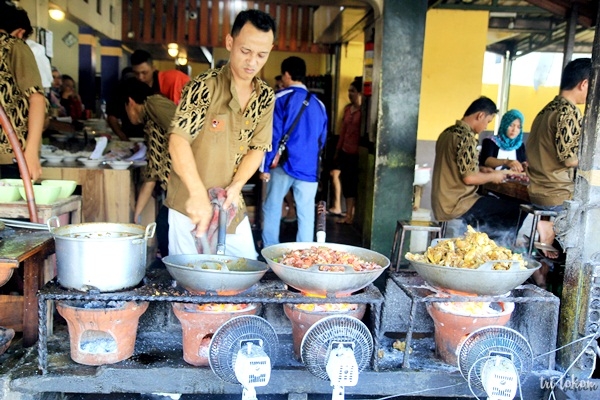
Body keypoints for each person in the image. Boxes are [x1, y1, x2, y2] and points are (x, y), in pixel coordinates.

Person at [165, 9, 276, 258]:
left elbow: (258, 149)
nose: (252, 62)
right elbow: (178, 141)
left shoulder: (265, 96)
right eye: (245, 51)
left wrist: (237, 186)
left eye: (261, 55)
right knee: (190, 283)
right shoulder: (204, 86)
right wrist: (196, 195)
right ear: (230, 42)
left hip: (229, 205)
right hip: (188, 205)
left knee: (245, 267)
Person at [431, 96, 523, 245]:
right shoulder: (465, 137)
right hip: (458, 203)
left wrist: (480, 169)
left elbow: (455, 167)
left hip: (443, 200)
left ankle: (482, 245)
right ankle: (500, 249)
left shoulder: (448, 133)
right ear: (480, 115)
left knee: (494, 205)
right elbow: (469, 178)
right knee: (516, 209)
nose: (486, 127)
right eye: (487, 121)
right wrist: (494, 175)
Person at [526, 58, 591, 259]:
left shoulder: (546, 110)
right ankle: (550, 228)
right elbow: (569, 160)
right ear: (585, 84)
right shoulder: (568, 112)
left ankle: (542, 268)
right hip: (557, 194)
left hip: (537, 191)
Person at [260, 56, 328, 247]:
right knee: (306, 213)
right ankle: (303, 255)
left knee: (273, 206)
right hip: (309, 167)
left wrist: (265, 166)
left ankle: (270, 251)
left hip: (284, 164)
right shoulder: (319, 105)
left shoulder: (280, 98)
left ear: (287, 74)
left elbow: (272, 136)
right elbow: (322, 139)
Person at [122, 78, 176, 257]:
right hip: (176, 186)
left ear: (130, 102)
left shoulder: (153, 104)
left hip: (183, 184)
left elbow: (185, 132)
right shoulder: (151, 123)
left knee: (165, 225)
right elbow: (152, 176)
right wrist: (136, 216)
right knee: (164, 224)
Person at [0, 3, 46, 181]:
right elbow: (37, 99)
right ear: (20, 32)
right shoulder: (14, 45)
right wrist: (31, 153)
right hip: (10, 154)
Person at [334, 77, 363, 224]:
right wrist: (338, 150)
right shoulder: (347, 109)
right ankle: (348, 215)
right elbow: (343, 131)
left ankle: (353, 216)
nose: (349, 94)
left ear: (360, 93)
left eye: (353, 91)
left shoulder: (364, 112)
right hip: (345, 151)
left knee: (356, 185)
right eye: (349, 91)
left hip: (357, 153)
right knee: (347, 184)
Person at [106, 67, 145, 140]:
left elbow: (112, 117)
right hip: (147, 136)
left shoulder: (118, 90)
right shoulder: (146, 88)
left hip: (128, 135)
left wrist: (122, 136)